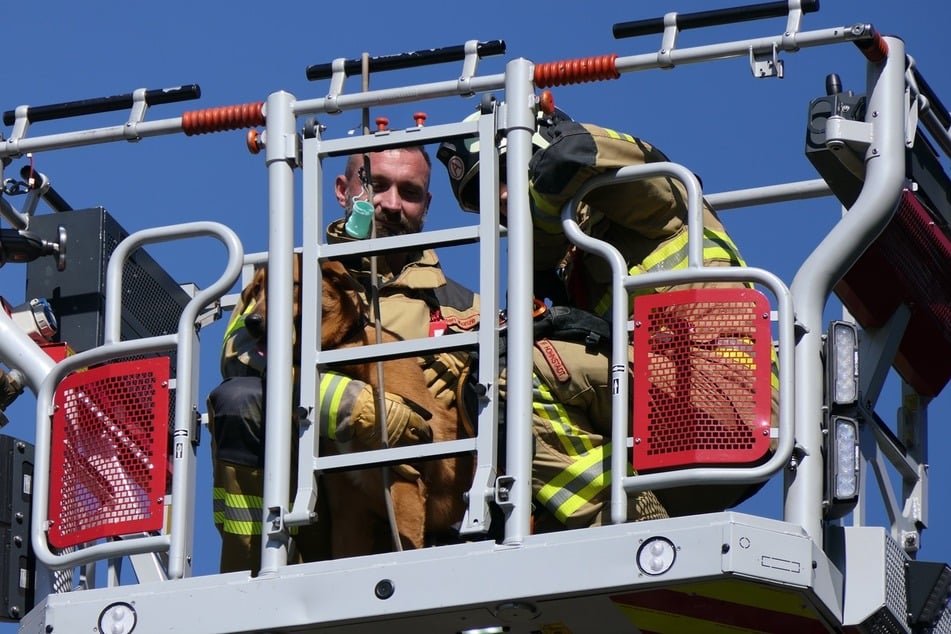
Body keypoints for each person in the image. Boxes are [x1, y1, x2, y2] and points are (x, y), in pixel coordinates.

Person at [438, 106, 777, 520]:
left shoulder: (648, 196)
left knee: (511, 374)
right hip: (665, 455)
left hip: (721, 402)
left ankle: (628, 518)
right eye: (485, 196)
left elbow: (575, 158)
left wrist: (550, 161)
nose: (503, 198)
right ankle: (621, 519)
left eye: (505, 172)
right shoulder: (573, 262)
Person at [208, 144, 480, 573]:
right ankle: (253, 572)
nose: (392, 204)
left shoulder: (464, 308)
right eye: (377, 185)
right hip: (308, 514)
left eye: (409, 192)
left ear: (426, 205)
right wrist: (358, 405)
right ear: (343, 190)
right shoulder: (290, 273)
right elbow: (240, 355)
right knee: (240, 398)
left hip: (424, 511)